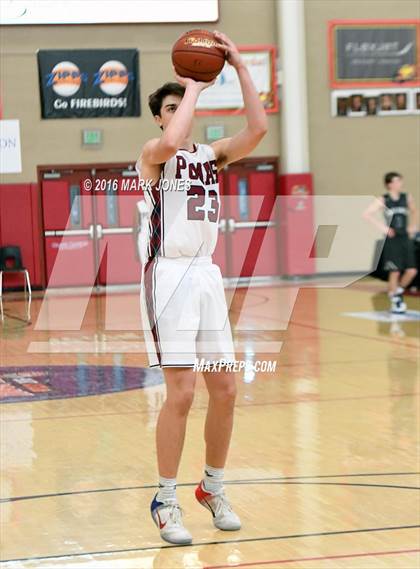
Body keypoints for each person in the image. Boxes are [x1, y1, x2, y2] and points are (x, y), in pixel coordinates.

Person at [136, 30, 267, 545]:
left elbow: (257, 128)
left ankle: (211, 487)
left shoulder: (210, 156)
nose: (179, 110)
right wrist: (192, 83)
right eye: (170, 105)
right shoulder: (154, 153)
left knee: (227, 390)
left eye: (183, 100)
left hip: (207, 274)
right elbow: (171, 142)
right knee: (182, 393)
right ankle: (165, 498)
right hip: (167, 276)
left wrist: (238, 67)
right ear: (161, 115)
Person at [363, 172, 418, 313]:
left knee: (412, 270)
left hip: (404, 237)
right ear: (389, 184)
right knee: (395, 271)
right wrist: (384, 228)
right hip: (391, 239)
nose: (400, 183)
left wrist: (413, 226)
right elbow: (366, 214)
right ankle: (395, 301)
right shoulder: (384, 199)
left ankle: (397, 292)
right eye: (397, 181)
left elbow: (415, 211)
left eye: (401, 181)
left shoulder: (407, 197)